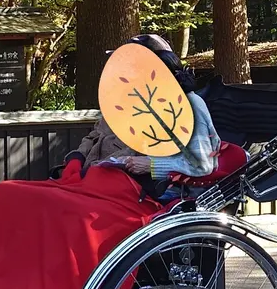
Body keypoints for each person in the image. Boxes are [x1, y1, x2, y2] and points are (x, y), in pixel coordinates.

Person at [62, 32, 221, 196]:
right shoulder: (127, 100)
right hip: (95, 177)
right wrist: (77, 157)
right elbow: (97, 134)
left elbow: (202, 164)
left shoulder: (189, 105)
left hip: (149, 189)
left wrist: (151, 165)